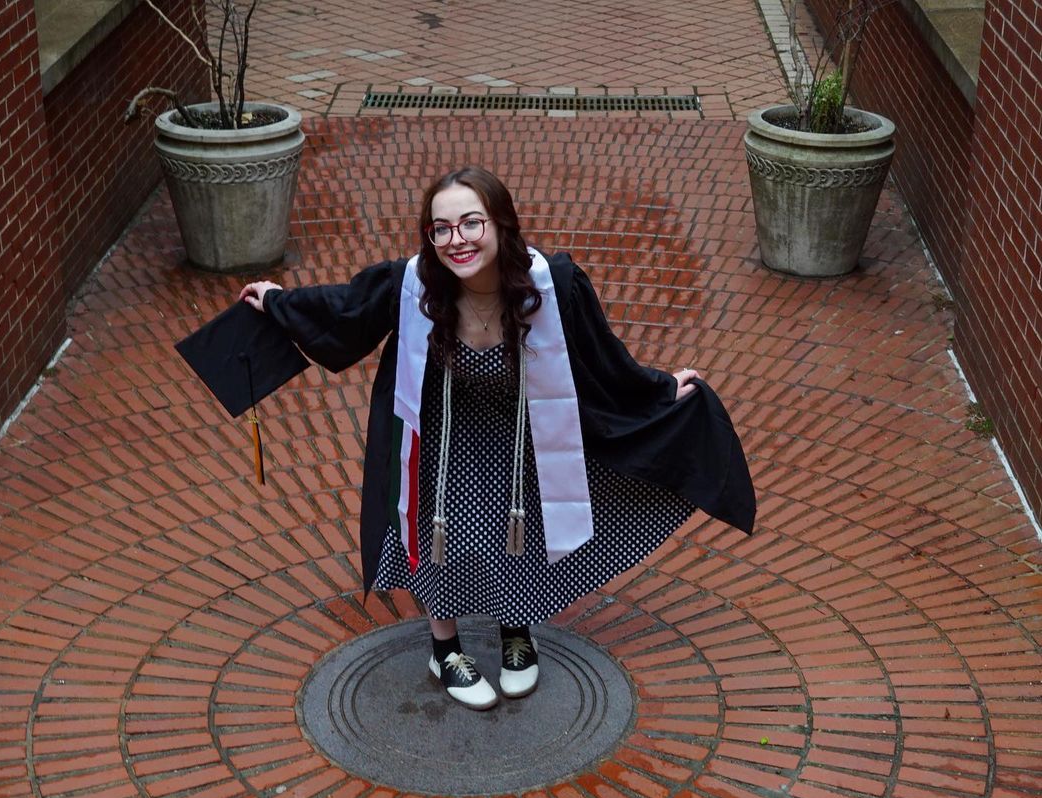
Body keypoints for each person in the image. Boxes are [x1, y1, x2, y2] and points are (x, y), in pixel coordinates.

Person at [240, 167, 755, 710]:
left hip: (524, 440)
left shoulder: (552, 284)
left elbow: (601, 359)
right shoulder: (412, 284)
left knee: (520, 530)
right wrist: (278, 302)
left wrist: (656, 391)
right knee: (440, 538)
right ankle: (445, 649)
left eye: (470, 223)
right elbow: (343, 311)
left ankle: (516, 630)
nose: (455, 240)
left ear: (501, 224)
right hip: (439, 442)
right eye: (440, 228)